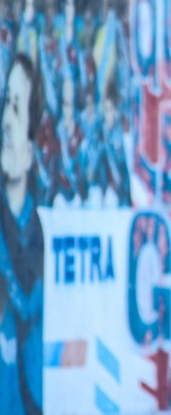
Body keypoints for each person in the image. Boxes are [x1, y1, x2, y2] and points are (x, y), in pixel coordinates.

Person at [0, 53, 44, 414]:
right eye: (5, 103)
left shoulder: (35, 236)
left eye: (16, 105)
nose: (4, 118)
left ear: (29, 152)